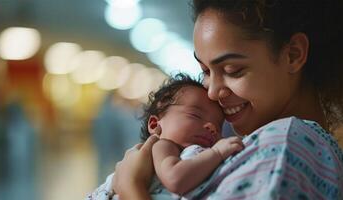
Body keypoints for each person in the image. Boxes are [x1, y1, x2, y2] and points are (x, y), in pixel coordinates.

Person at [109, 0, 343, 199]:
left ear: (293, 55)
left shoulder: (284, 148)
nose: (211, 93)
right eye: (206, 71)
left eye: (233, 70)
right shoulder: (307, 145)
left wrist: (131, 188)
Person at [87, 74, 244, 199]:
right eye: (196, 115)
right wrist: (216, 153)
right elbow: (175, 179)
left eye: (218, 125)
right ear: (155, 125)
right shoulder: (164, 146)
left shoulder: (196, 152)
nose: (211, 127)